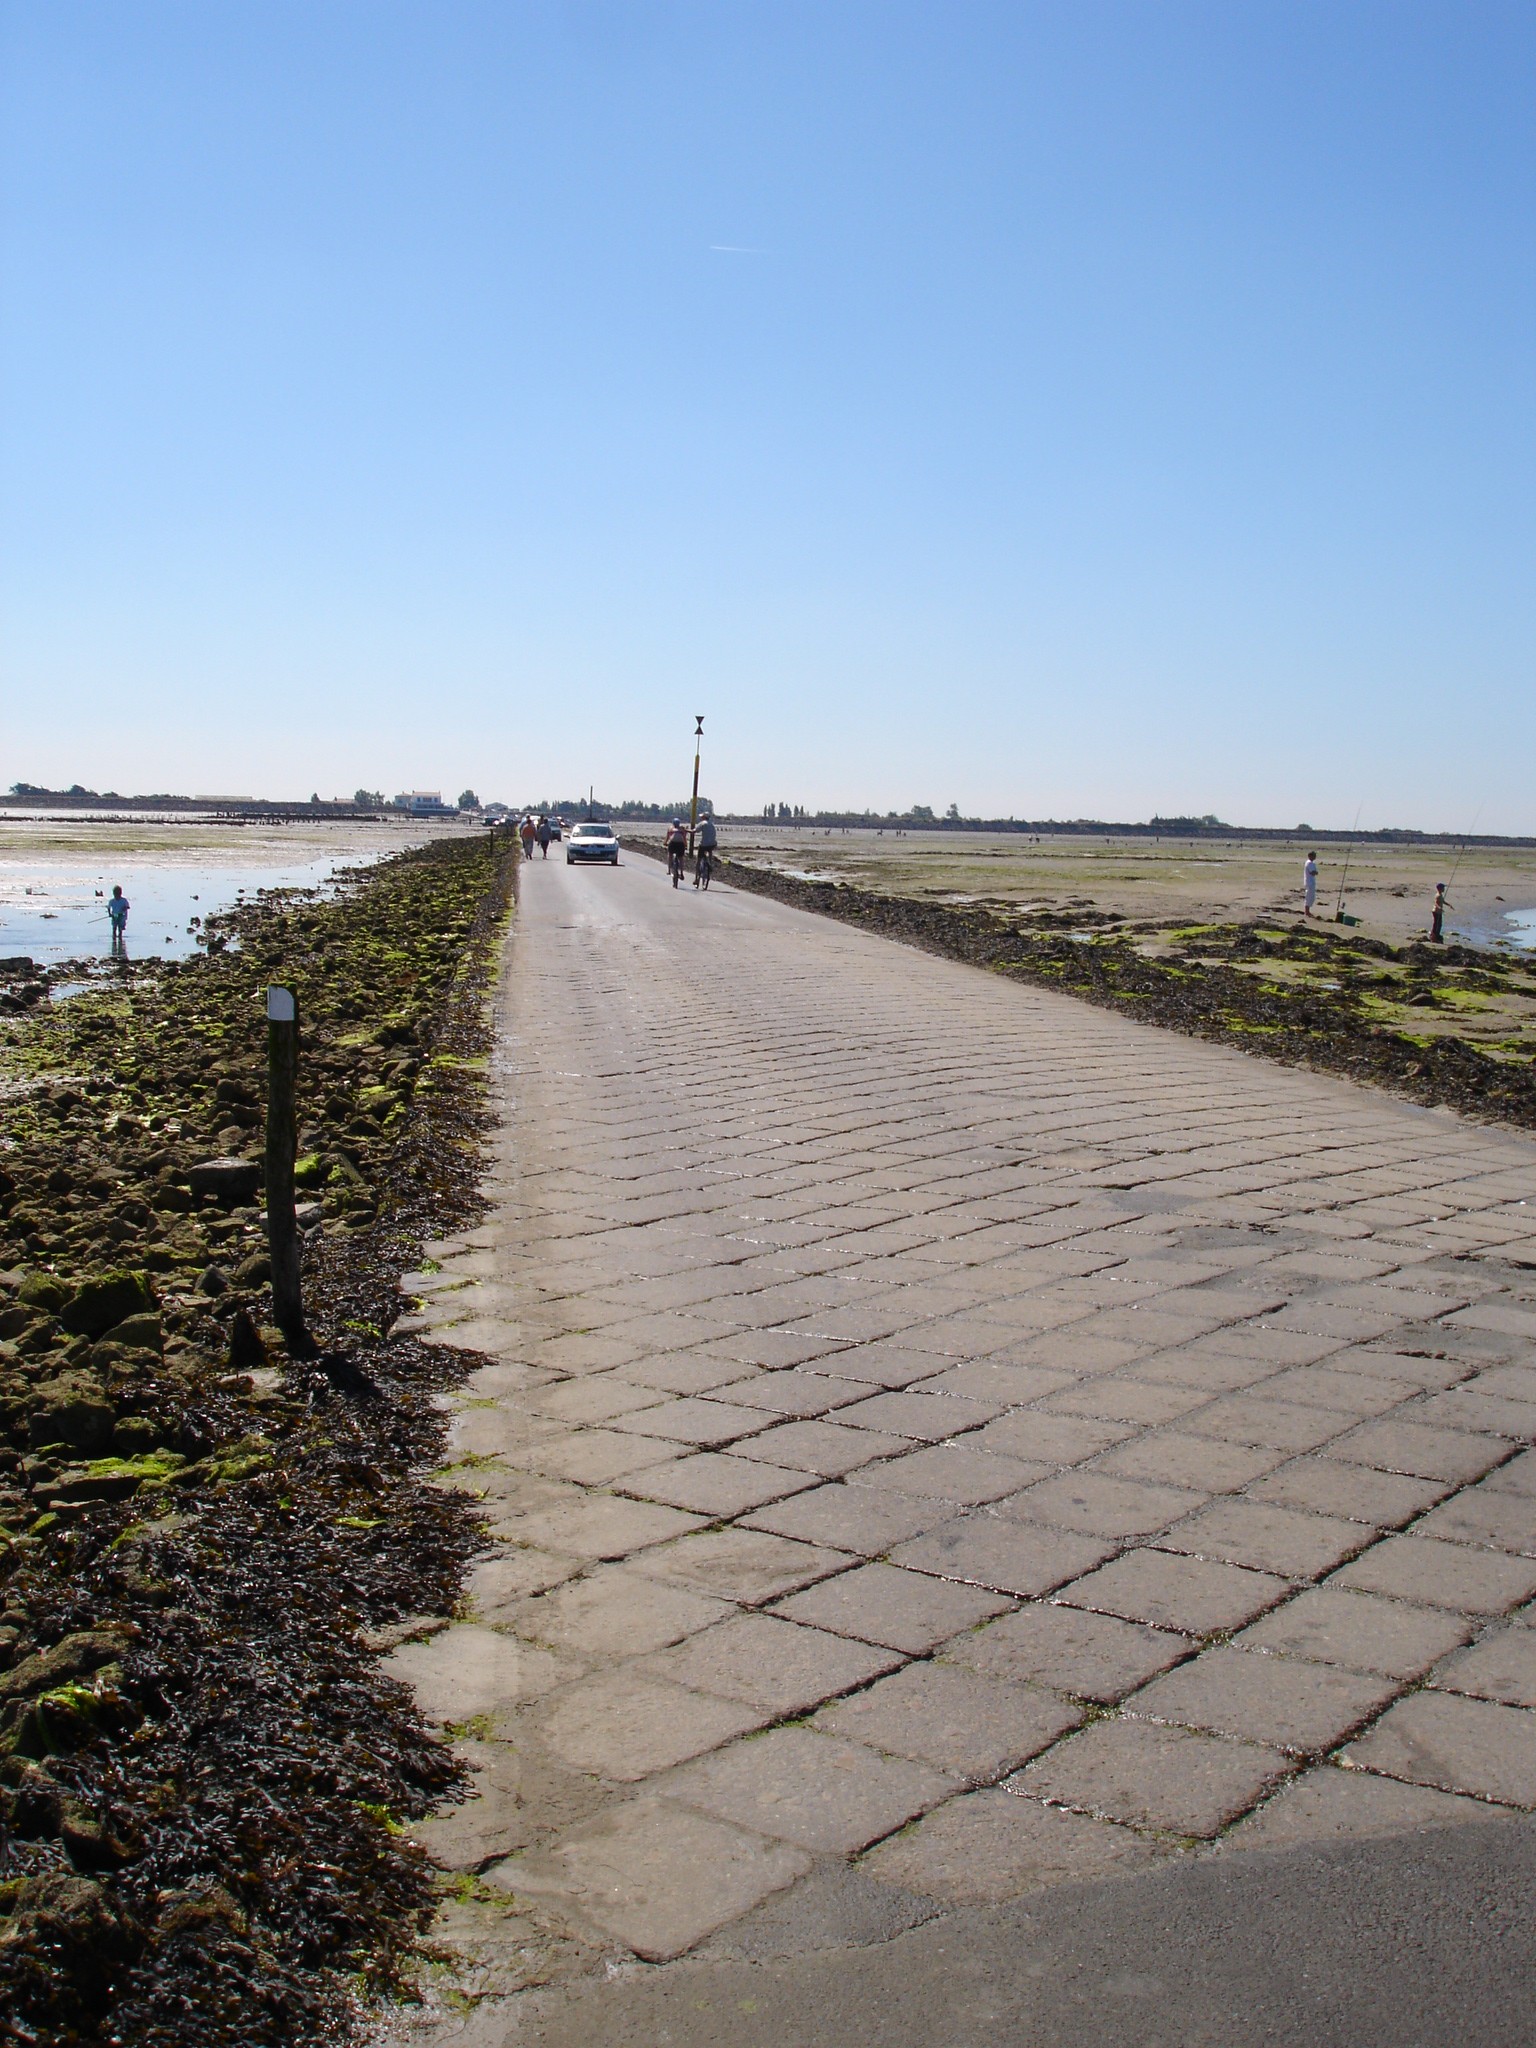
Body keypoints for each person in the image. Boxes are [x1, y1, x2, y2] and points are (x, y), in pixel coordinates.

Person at [694, 812, 718, 889]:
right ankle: (710, 863)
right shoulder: (712, 824)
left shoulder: (702, 823)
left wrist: (687, 831)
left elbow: (695, 830)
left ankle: (696, 879)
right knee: (710, 850)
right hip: (713, 844)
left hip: (704, 844)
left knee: (698, 860)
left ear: (704, 817)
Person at [665, 818, 687, 885]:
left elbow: (668, 837)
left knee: (670, 855)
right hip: (680, 844)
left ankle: (669, 870)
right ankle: (681, 873)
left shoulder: (670, 828)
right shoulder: (682, 829)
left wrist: (665, 842)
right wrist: (685, 845)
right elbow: (684, 838)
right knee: (681, 858)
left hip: (673, 843)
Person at [106, 885, 130, 949]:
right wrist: (110, 914)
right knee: (114, 928)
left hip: (122, 916)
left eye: (118, 894)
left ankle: (120, 941)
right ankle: (114, 942)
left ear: (120, 893)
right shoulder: (112, 901)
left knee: (120, 929)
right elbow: (108, 907)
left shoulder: (123, 900)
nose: (116, 895)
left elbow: (127, 907)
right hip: (114, 916)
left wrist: (124, 908)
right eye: (115, 894)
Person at [1303, 851, 1318, 917]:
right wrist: (1315, 872)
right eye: (1314, 855)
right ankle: (1307, 911)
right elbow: (1313, 872)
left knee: (1311, 896)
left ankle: (1307, 911)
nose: (1315, 857)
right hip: (1310, 882)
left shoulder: (1311, 863)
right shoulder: (1309, 863)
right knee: (1309, 896)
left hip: (1310, 881)